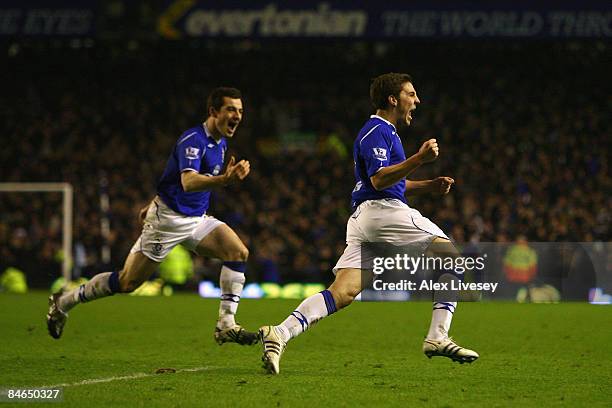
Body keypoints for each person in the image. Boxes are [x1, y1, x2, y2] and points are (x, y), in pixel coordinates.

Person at [258, 73, 479, 374]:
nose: (417, 100)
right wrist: (419, 158)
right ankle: (437, 337)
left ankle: (280, 333)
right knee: (453, 260)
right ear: (393, 99)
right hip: (382, 214)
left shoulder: (384, 133)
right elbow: (379, 178)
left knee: (342, 293)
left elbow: (389, 182)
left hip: (367, 218)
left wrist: (429, 185)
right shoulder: (377, 130)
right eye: (411, 94)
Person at [47, 87, 258, 346]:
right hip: (167, 222)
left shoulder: (221, 144)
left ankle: (226, 324)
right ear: (213, 111)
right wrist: (224, 180)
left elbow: (171, 175)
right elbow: (188, 181)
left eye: (240, 110)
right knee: (127, 282)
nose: (237, 115)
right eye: (230, 109)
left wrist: (153, 201)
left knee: (238, 252)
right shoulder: (193, 140)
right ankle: (64, 301)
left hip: (195, 219)